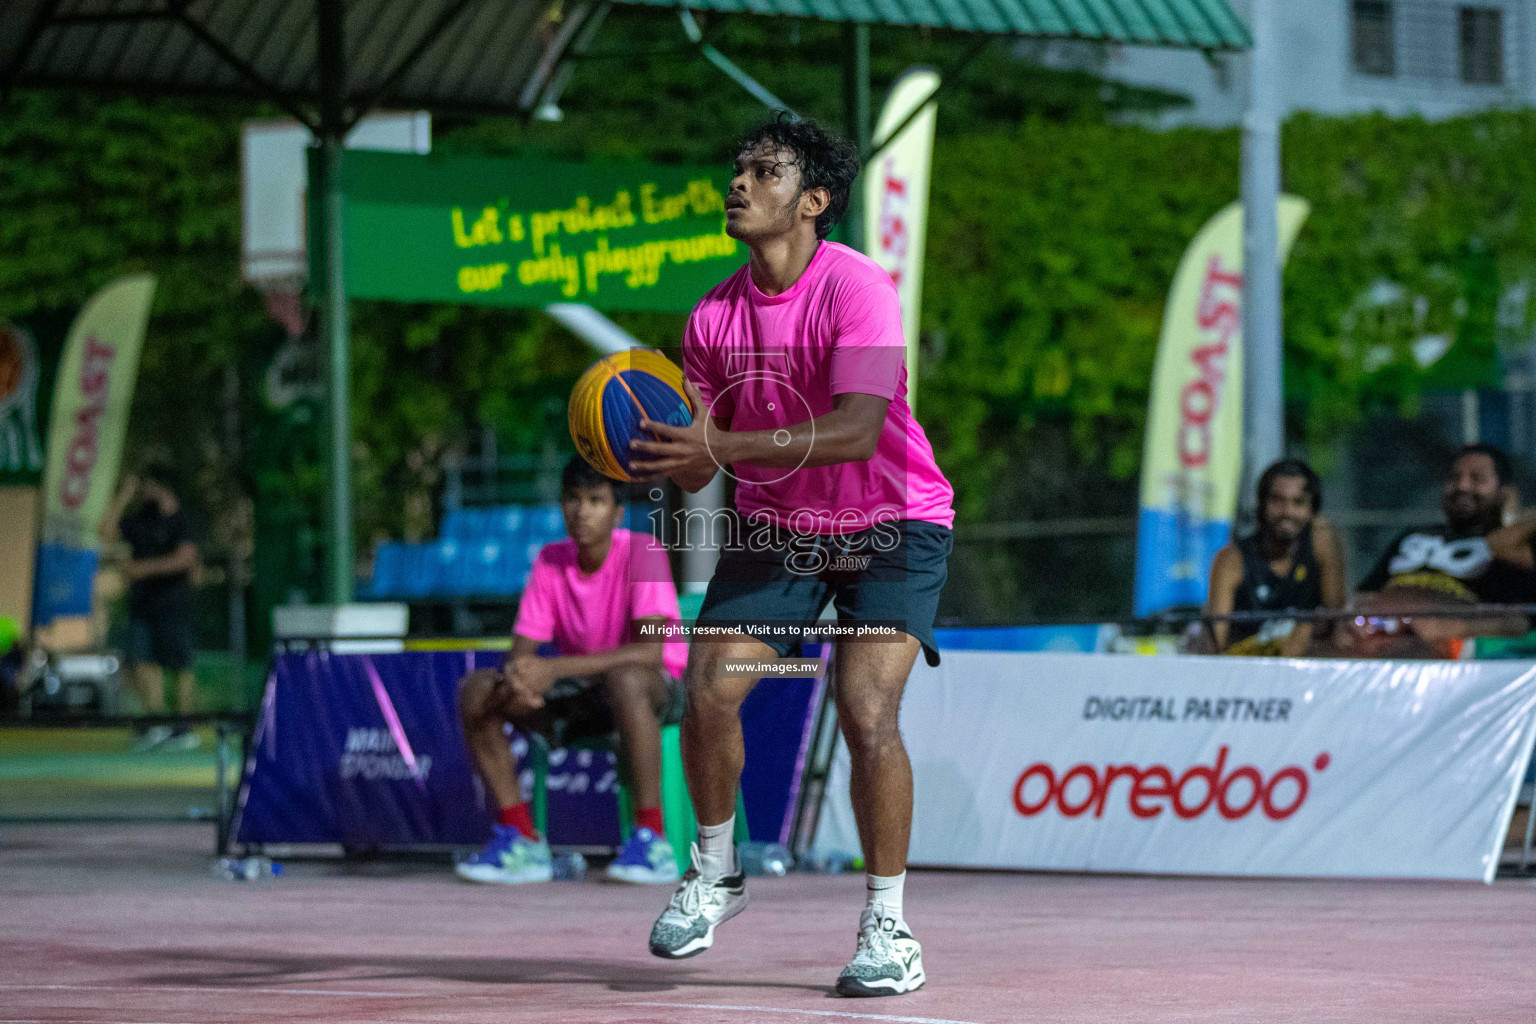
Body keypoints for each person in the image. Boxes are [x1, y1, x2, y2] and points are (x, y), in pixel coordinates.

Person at [629, 114, 954, 997]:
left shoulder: (859, 289)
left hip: (894, 523)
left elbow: (853, 431)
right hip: (780, 531)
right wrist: (651, 451)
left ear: (813, 201)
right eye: (737, 169)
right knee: (709, 690)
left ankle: (888, 926)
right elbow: (703, 447)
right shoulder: (710, 318)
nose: (739, 184)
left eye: (764, 173)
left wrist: (720, 450)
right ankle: (717, 871)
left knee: (864, 710)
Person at [455, 456, 689, 886]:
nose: (582, 511)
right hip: (583, 693)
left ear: (618, 512)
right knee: (478, 690)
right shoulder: (550, 559)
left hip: (657, 691)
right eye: (573, 499)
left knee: (626, 680)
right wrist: (519, 681)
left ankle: (651, 839)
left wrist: (554, 667)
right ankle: (522, 839)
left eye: (596, 500)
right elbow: (521, 653)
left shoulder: (643, 552)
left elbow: (651, 654)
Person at [1349, 443, 1534, 652]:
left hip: (1443, 659)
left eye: (1477, 479)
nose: (1462, 486)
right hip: (1374, 642)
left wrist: (1448, 628)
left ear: (1504, 493)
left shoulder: (1511, 552)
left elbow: (1521, 621)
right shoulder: (1413, 536)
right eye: (1454, 478)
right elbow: (1365, 594)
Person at [101, 464, 199, 751]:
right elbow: (105, 531)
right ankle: (156, 723)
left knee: (179, 664)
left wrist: (143, 569)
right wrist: (124, 495)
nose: (142, 490)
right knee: (142, 661)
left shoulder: (182, 520)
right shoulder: (142, 518)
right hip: (142, 605)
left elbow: (186, 558)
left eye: (145, 484)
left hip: (173, 604)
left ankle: (183, 728)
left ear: (160, 486)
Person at [1206, 459, 1345, 656]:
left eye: (1298, 502)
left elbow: (1337, 622)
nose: (1287, 512)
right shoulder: (1232, 560)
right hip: (1248, 668)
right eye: (1277, 501)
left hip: (1307, 669)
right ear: (1262, 504)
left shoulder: (1321, 542)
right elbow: (1217, 645)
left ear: (1313, 510)